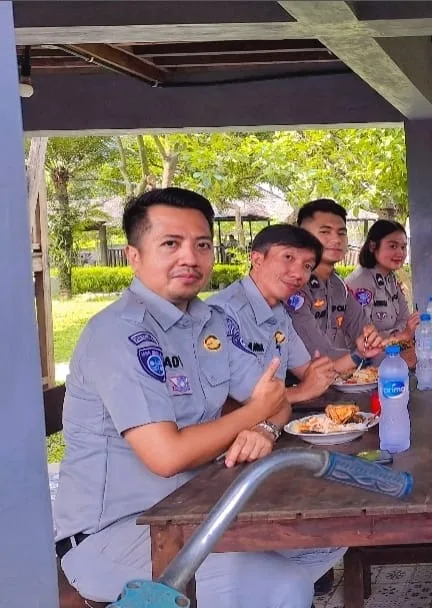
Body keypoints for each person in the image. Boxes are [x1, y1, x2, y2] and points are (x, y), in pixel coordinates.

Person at [52, 188, 345, 607]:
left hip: (196, 508)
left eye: (202, 244)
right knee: (283, 586)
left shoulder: (208, 323)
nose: (190, 257)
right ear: (134, 256)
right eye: (170, 244)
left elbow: (275, 398)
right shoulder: (119, 334)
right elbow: (166, 456)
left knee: (328, 538)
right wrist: (257, 413)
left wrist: (264, 424)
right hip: (119, 532)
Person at [210, 224, 384, 407]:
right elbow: (252, 398)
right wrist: (302, 391)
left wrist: (359, 355)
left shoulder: (278, 312)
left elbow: (308, 372)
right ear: (257, 259)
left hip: (271, 419)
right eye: (288, 257)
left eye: (307, 266)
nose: (298, 274)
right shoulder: (225, 312)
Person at [288, 198, 384, 371]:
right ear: (302, 236)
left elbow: (364, 331)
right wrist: (361, 354)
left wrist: (378, 346)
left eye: (341, 233)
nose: (336, 239)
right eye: (325, 232)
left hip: (337, 379)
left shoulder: (338, 286)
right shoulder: (293, 286)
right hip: (297, 387)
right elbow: (319, 354)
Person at [344, 219, 421, 342]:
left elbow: (405, 319)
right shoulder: (362, 282)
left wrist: (399, 334)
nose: (400, 253)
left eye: (403, 247)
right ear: (372, 246)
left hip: (390, 350)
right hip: (364, 359)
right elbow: (364, 338)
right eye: (393, 246)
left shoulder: (391, 279)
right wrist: (400, 335)